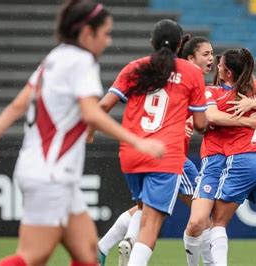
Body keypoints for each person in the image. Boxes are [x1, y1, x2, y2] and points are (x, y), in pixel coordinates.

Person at [0, 1, 164, 265]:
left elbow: (17, 105)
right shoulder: (82, 61)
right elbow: (91, 113)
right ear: (87, 33)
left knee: (87, 255)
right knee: (33, 256)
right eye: (105, 33)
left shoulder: (54, 58)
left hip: (52, 174)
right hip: (52, 175)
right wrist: (139, 142)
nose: (108, 41)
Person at [92, 19, 208, 266]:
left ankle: (104, 248)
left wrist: (89, 131)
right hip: (165, 156)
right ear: (180, 46)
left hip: (131, 153)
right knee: (151, 225)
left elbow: (102, 106)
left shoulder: (134, 68)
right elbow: (200, 124)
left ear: (151, 43)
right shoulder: (191, 73)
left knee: (144, 211)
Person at [194, 48, 256, 265]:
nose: (216, 65)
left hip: (245, 159)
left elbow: (210, 115)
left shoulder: (216, 93)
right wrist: (254, 105)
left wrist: (249, 107)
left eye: (220, 65)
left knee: (218, 220)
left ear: (228, 73)